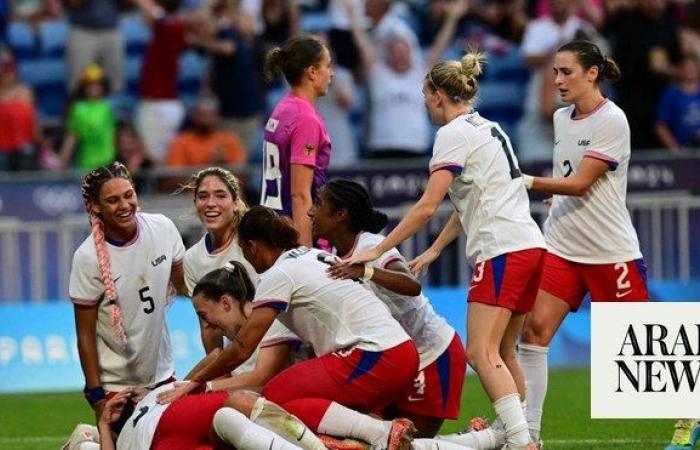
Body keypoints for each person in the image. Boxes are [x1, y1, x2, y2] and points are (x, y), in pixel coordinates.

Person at [344, 50, 546, 450]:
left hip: (502, 250)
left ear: (438, 95)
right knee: (504, 351)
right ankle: (521, 434)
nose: (425, 105)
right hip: (530, 246)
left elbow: (427, 206)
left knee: (481, 352)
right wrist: (435, 249)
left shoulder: (451, 135)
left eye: (425, 96)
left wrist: (377, 249)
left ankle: (522, 443)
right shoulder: (490, 128)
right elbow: (470, 200)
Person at [158, 206, 419, 450]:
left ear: (252, 247)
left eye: (244, 250)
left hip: (375, 355)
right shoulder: (313, 255)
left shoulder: (278, 275)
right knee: (288, 403)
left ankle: (382, 433)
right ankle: (359, 436)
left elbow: (241, 349)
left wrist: (197, 383)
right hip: (396, 351)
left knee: (273, 395)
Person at [517, 40, 649, 446]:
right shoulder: (560, 118)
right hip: (561, 244)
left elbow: (579, 182)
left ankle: (688, 416)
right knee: (533, 334)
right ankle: (526, 434)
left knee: (643, 350)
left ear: (592, 74)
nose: (557, 80)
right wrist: (553, 192)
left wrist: (528, 181)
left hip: (610, 251)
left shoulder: (613, 120)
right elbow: (569, 178)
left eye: (566, 72)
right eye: (555, 72)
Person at [308, 179, 464, 438]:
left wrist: (367, 271)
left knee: (408, 444)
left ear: (340, 215)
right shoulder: (337, 255)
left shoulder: (370, 246)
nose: (310, 211)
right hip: (393, 362)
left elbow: (411, 285)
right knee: (377, 439)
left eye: (318, 204)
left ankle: (483, 440)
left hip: (431, 354)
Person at [69, 161, 187, 423]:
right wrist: (97, 395)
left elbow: (186, 285)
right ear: (95, 206)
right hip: (116, 386)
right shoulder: (87, 258)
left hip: (163, 375)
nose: (124, 205)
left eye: (128, 195)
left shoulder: (162, 228)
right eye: (112, 200)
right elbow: (85, 334)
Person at [259, 35, 334, 246]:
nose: (331, 73)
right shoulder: (305, 119)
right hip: (295, 234)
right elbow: (300, 195)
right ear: (312, 71)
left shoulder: (283, 108)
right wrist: (306, 254)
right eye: (327, 66)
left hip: (274, 227)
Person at [59, 64, 117, 170]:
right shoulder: (78, 109)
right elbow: (72, 136)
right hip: (85, 165)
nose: (93, 88)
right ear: (83, 87)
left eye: (96, 84)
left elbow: (115, 135)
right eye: (89, 84)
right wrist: (63, 160)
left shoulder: (109, 106)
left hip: (108, 163)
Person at [166, 95, 247, 168]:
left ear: (218, 117)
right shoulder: (181, 142)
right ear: (194, 117)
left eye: (210, 116)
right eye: (202, 116)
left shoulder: (230, 140)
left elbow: (244, 176)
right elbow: (173, 178)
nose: (206, 121)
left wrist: (224, 164)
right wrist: (209, 165)